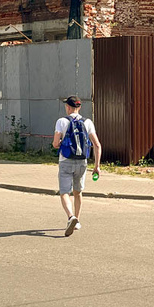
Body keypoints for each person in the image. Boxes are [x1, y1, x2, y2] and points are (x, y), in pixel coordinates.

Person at [52, 96, 101, 237]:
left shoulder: (61, 121)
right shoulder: (88, 122)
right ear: (79, 107)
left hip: (66, 161)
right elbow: (97, 145)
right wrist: (97, 166)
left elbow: (55, 144)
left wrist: (60, 143)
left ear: (68, 107)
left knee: (64, 192)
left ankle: (70, 216)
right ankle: (77, 221)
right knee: (78, 192)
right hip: (82, 162)